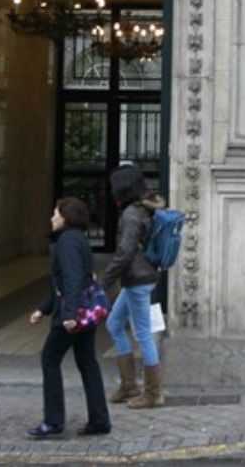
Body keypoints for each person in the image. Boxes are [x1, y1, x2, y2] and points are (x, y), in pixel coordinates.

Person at [27, 197, 110, 438]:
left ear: (66, 217)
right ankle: (99, 420)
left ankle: (53, 421)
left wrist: (69, 314)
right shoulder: (77, 239)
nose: (52, 218)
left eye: (56, 213)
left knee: (49, 359)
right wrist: (43, 309)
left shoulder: (67, 241)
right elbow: (64, 282)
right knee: (88, 363)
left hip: (72, 315)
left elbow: (72, 279)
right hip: (85, 311)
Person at [101, 163, 166, 409]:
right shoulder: (143, 208)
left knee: (143, 334)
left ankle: (153, 393)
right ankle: (129, 387)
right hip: (137, 278)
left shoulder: (131, 214)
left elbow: (125, 252)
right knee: (114, 323)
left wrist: (104, 281)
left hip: (138, 280)